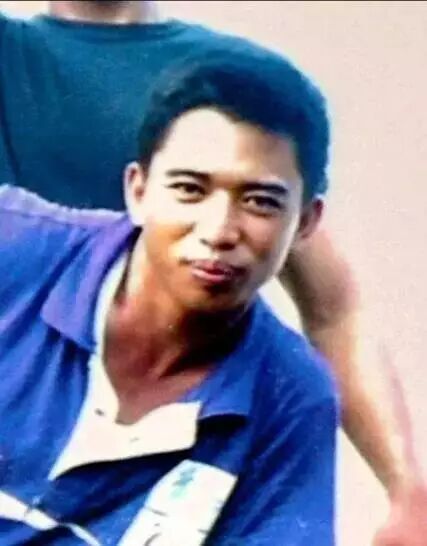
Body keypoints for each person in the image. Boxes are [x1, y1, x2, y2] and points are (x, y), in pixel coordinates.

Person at [0, 2, 426, 544]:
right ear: (138, 188)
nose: (219, 228)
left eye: (257, 201)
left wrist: (407, 489)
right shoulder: (20, 234)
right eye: (190, 189)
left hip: (185, 430)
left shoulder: (236, 88)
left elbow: (335, 310)